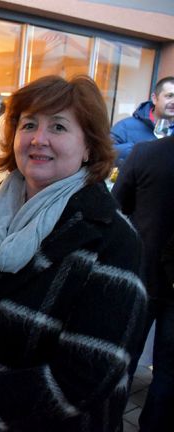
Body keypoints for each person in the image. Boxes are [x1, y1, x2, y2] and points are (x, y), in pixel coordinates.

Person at [0, 75, 147, 431]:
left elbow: (88, 374)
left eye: (58, 127)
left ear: (89, 147)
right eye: (29, 124)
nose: (38, 138)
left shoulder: (111, 239)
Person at [112, 133, 174, 431]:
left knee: (123, 359)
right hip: (156, 278)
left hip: (142, 272)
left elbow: (116, 206)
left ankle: (110, 421)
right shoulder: (145, 152)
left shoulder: (146, 153)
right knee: (168, 371)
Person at [111, 75, 174, 166]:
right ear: (154, 98)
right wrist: (143, 151)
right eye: (169, 96)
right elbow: (105, 153)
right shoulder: (125, 127)